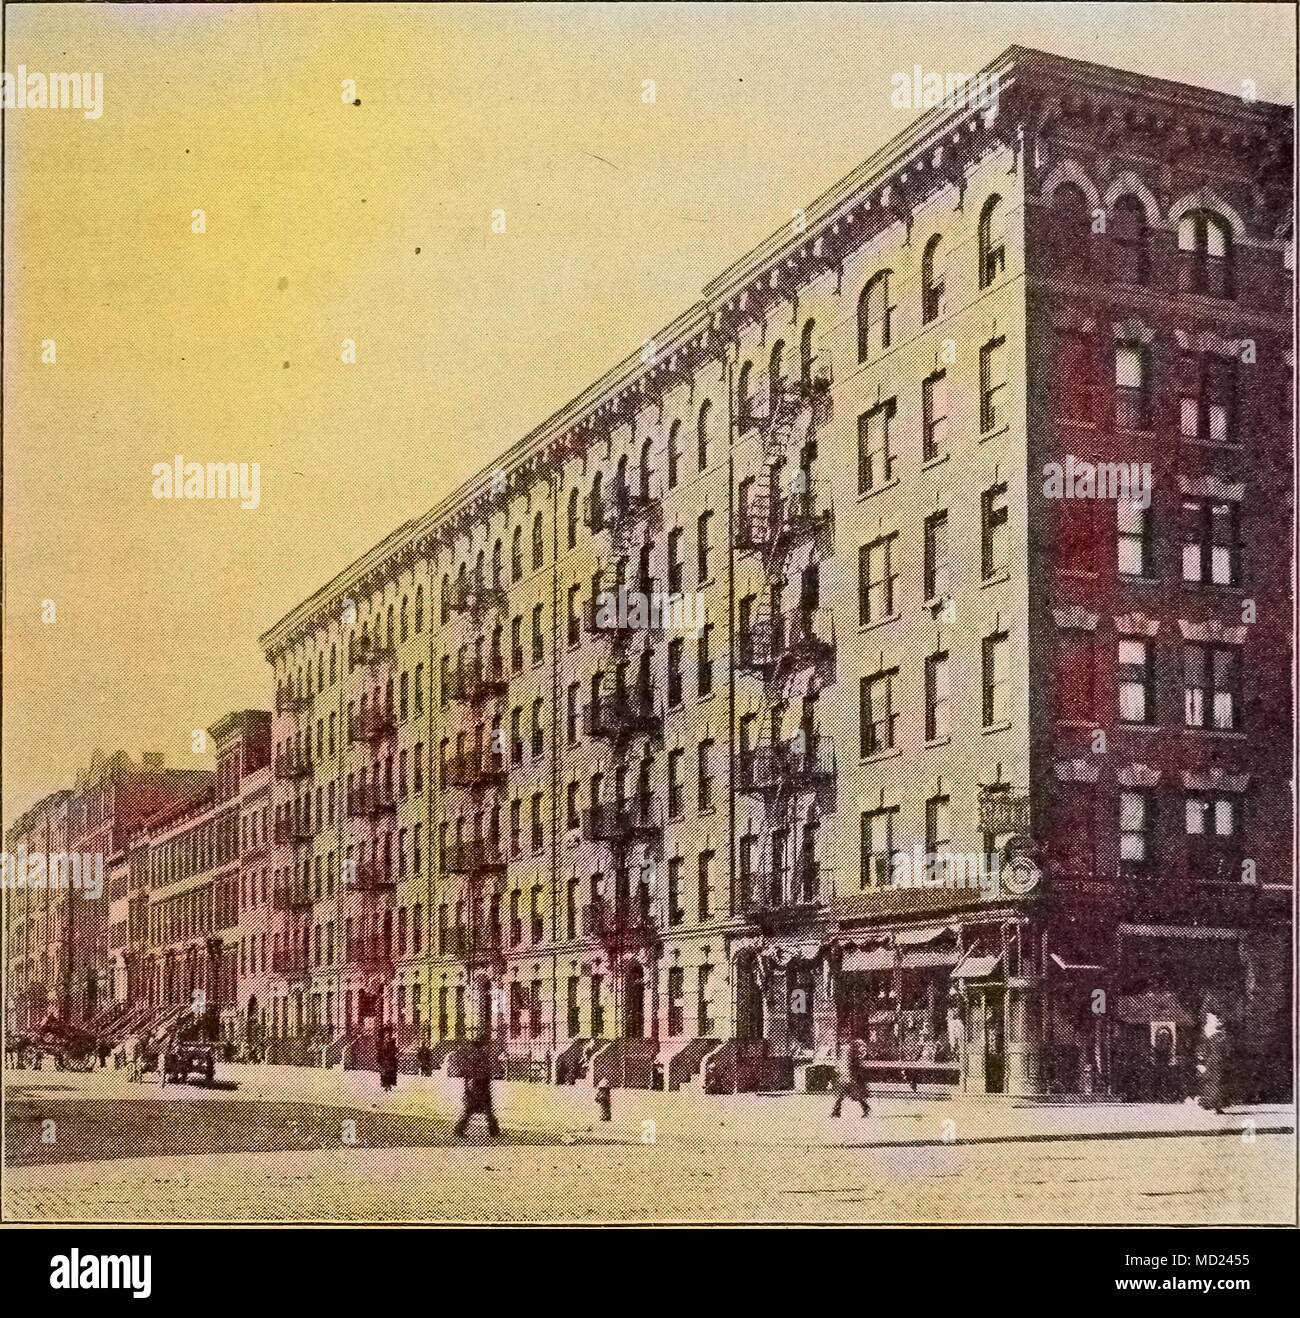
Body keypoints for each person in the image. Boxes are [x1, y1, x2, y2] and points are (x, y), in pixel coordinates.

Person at [454, 1034, 500, 1138]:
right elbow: (485, 1071)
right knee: (485, 1109)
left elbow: (465, 1071)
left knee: (471, 1110)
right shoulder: (482, 1055)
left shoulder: (470, 1056)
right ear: (482, 1045)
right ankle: (494, 1131)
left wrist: (467, 1084)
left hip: (473, 1084)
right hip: (480, 1084)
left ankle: (459, 1129)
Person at [831, 1036, 871, 1117]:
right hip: (847, 1074)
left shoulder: (852, 1047)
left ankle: (837, 1111)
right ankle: (836, 1111)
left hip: (850, 1075)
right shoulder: (847, 1048)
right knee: (844, 1093)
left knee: (850, 1094)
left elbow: (852, 1062)